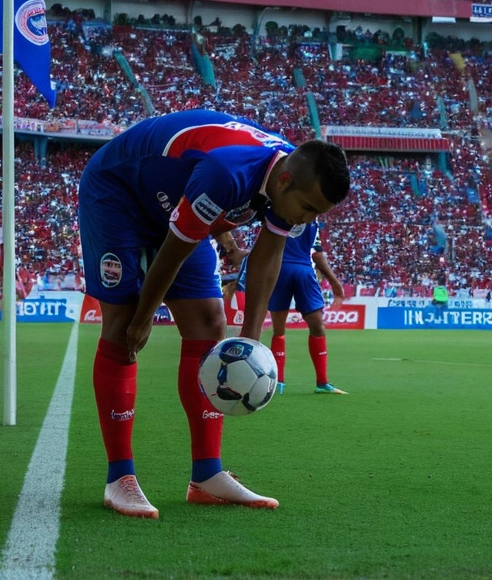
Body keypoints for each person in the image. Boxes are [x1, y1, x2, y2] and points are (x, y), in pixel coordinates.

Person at [79, 109, 349, 519]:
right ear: (284, 182)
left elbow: (267, 257)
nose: (307, 220)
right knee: (123, 329)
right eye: (308, 208)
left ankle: (206, 475)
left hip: (176, 204)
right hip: (119, 192)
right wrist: (144, 318)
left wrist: (251, 342)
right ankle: (120, 478)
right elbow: (172, 251)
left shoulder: (292, 181)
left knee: (210, 324)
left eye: (316, 214)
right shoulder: (229, 171)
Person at [263, 222, 347, 395]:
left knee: (284, 330)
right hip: (292, 269)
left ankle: (316, 383)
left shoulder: (300, 215)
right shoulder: (307, 217)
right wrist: (335, 283)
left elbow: (316, 252)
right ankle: (282, 382)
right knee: (313, 327)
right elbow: (317, 255)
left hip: (289, 269)